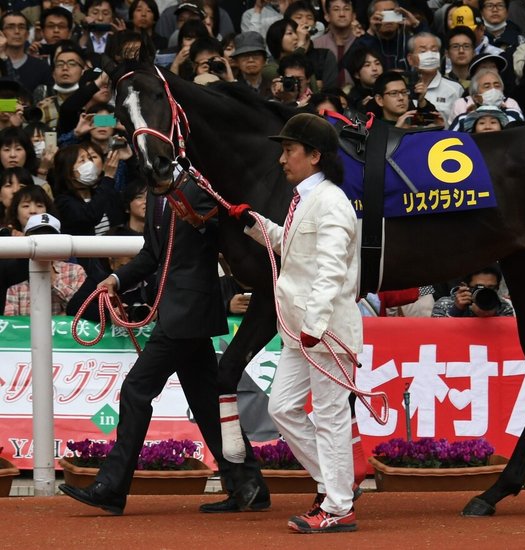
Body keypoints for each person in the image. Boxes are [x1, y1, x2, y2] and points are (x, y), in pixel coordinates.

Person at [60, 174, 269, 516]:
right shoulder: (158, 196)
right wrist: (114, 280)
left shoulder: (202, 189)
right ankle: (249, 484)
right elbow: (152, 256)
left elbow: (222, 242)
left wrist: (205, 227)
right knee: (205, 402)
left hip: (188, 311)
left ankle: (112, 486)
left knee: (136, 389)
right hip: (181, 312)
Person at [236, 113, 361, 533]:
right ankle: (334, 487)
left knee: (329, 417)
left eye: (289, 150)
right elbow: (290, 247)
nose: (282, 159)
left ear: (314, 156)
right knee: (282, 409)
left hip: (324, 332)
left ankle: (339, 506)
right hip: (300, 333)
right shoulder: (306, 199)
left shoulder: (332, 203)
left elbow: (331, 270)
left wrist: (315, 322)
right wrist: (254, 225)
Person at [431, 265, 514, 317]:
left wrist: (492, 316)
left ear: (498, 287)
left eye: (491, 288)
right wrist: (456, 311)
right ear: (465, 286)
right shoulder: (444, 304)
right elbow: (438, 337)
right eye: (479, 287)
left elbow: (506, 340)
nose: (484, 292)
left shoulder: (503, 307)